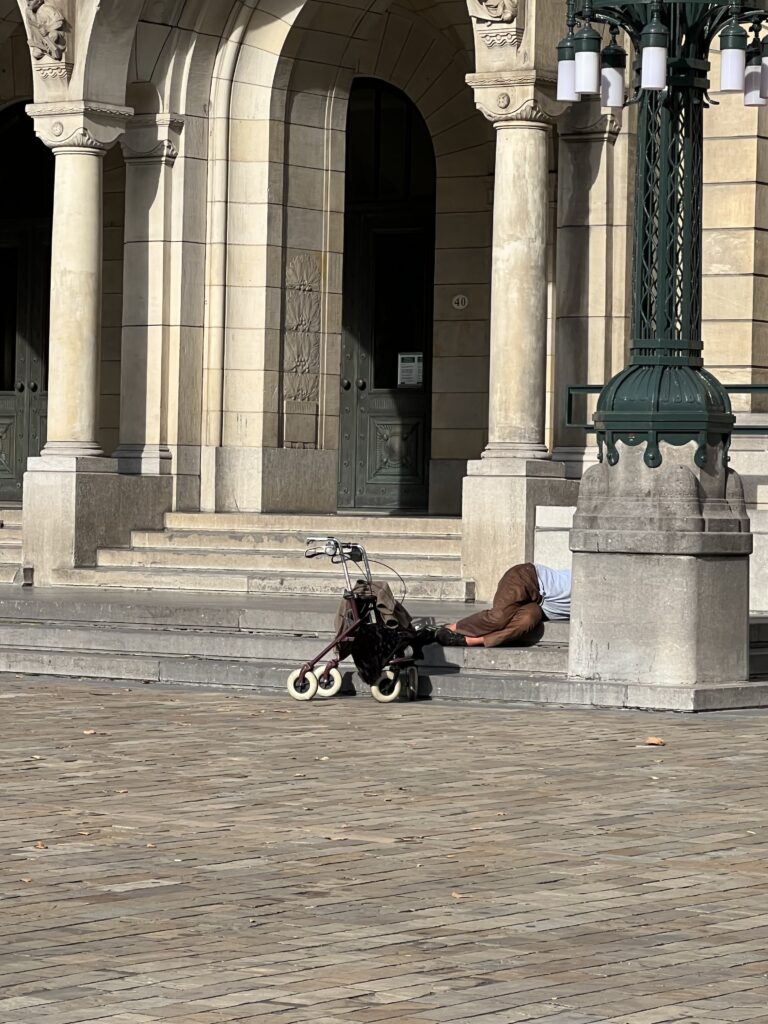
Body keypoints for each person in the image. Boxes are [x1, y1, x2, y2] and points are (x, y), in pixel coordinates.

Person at [435, 563, 571, 648]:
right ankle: (447, 629)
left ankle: (469, 640)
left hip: (538, 607)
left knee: (527, 621)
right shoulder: (585, 580)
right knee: (498, 617)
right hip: (528, 578)